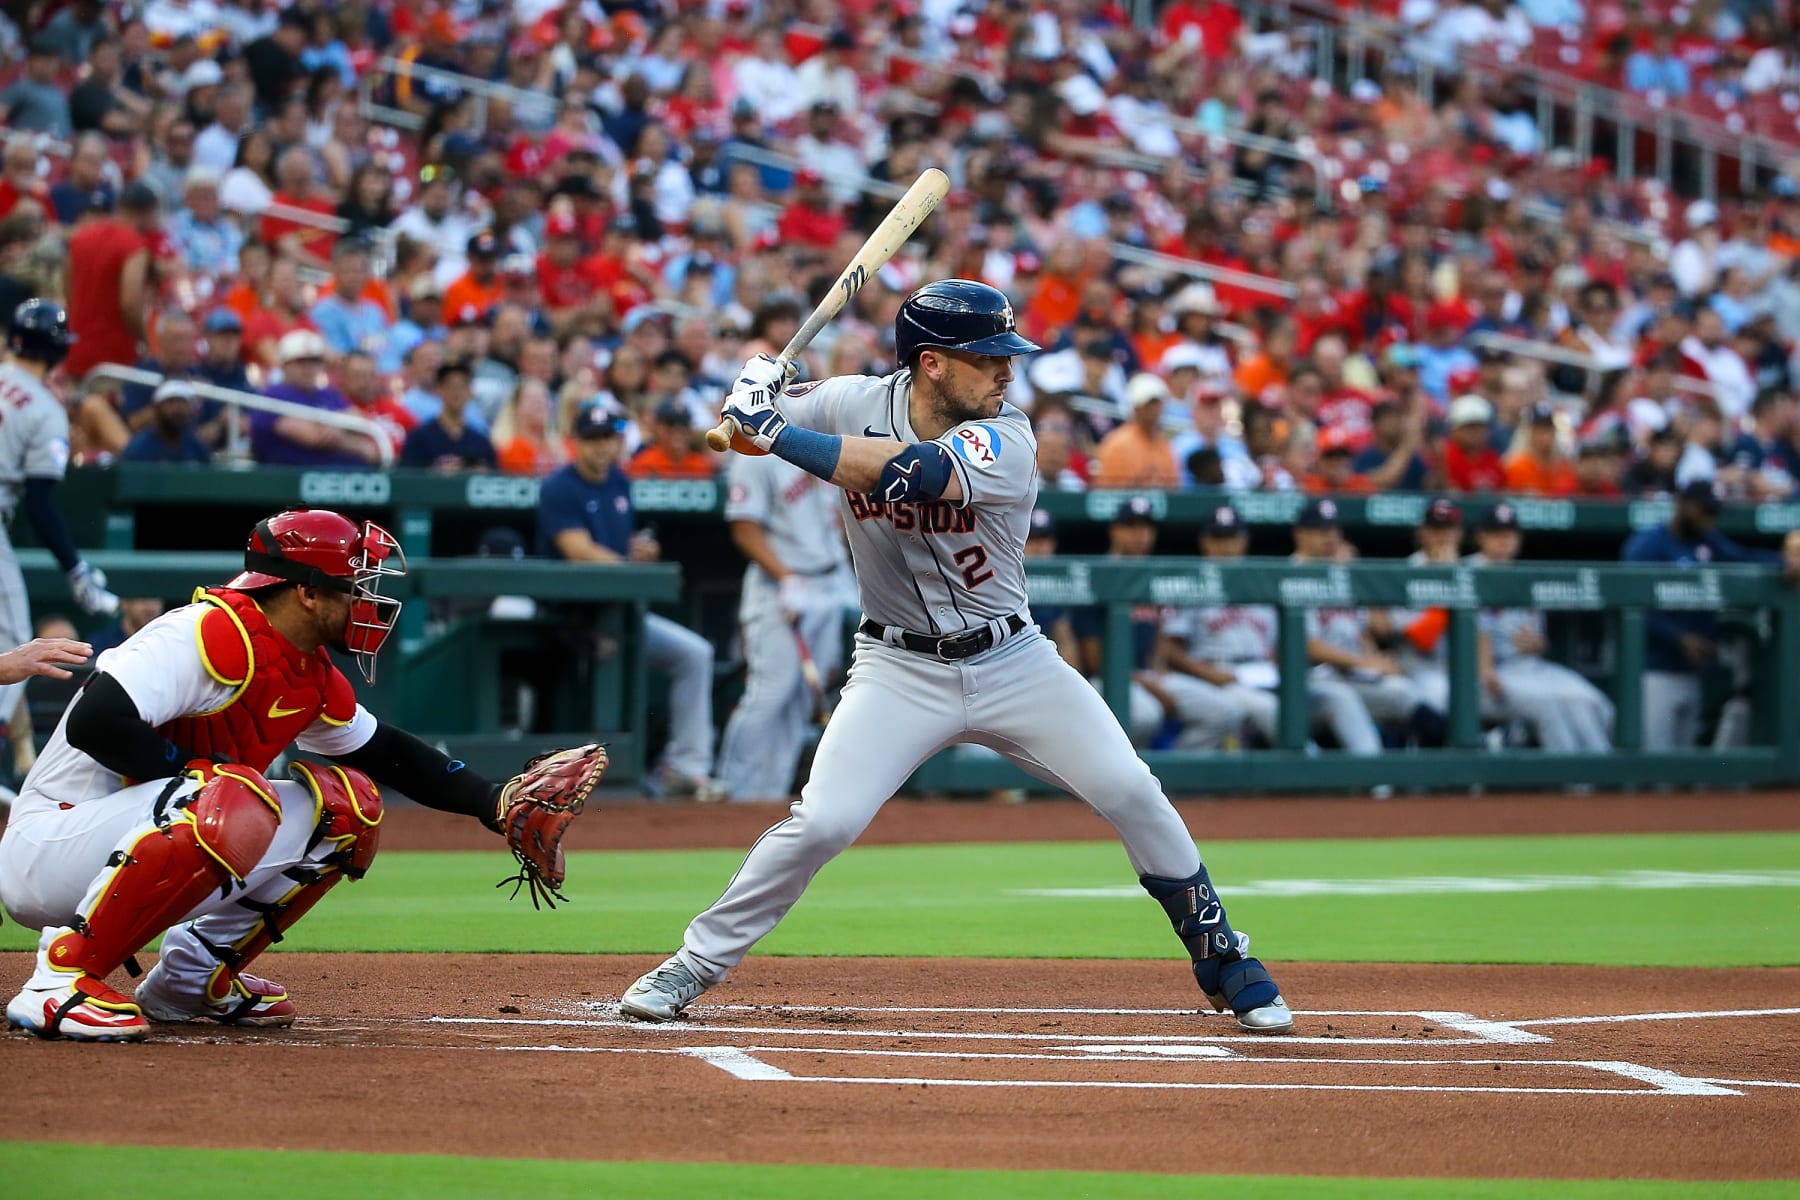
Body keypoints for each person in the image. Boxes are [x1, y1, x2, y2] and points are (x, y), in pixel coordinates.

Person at [620, 279, 1293, 1033]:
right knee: (823, 824)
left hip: (1014, 660)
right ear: (933, 364)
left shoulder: (1009, 435)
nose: (1008, 371)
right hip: (897, 668)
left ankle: (1223, 957)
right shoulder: (848, 399)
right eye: (988, 357)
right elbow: (741, 433)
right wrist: (752, 392)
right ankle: (692, 965)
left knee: (1133, 789)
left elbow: (915, 474)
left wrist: (773, 427)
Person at [0, 508, 606, 1040]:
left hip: (133, 834)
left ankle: (189, 978)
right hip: (49, 844)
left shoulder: (301, 668)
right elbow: (97, 721)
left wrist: (492, 801)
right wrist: (195, 775)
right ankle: (62, 976)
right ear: (306, 593)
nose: (367, 602)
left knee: (350, 807)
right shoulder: (205, 633)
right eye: (353, 586)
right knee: (230, 793)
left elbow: (386, 752)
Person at [537, 403, 721, 797]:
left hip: (620, 613)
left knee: (695, 654)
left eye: (608, 438)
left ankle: (689, 770)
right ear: (577, 442)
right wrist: (626, 563)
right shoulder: (558, 486)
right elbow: (577, 550)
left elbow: (615, 547)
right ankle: (590, 777)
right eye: (593, 439)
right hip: (565, 617)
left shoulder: (620, 483)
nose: (602, 447)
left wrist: (638, 552)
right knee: (605, 657)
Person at [0, 301, 121, 759]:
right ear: (56, 352)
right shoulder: (44, 408)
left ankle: (18, 756)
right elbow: (40, 501)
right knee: (14, 644)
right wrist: (75, 569)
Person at [715, 430, 852, 800]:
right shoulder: (756, 456)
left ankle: (771, 792)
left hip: (828, 581)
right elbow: (744, 528)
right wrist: (785, 578)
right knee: (771, 692)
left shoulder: (824, 449)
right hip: (779, 586)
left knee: (805, 697)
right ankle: (734, 788)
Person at [1622, 480, 1780, 749]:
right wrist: (1678, 637)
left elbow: (1745, 557)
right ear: (1683, 504)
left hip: (1693, 671)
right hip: (1653, 672)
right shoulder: (1647, 546)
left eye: (1714, 512)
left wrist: (1787, 561)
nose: (1710, 519)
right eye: (1704, 510)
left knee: (1684, 773)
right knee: (1652, 768)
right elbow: (1631, 605)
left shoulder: (1708, 542)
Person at [1467, 503, 1615, 752]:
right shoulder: (1467, 571)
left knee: (1593, 702)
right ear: (1481, 536)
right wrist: (1485, 669)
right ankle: (1571, 780)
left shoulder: (1523, 575)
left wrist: (1540, 644)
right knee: (1551, 706)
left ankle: (1603, 776)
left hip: (1531, 668)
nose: (1505, 541)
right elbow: (1472, 632)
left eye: (1510, 533)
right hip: (1491, 673)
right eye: (1497, 533)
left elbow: (1537, 639)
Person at [398, 358, 496, 472]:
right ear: (438, 390)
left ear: (470, 392)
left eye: (462, 386)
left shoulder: (480, 442)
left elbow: (493, 478)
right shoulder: (419, 438)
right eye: (450, 386)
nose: (456, 393)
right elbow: (406, 479)